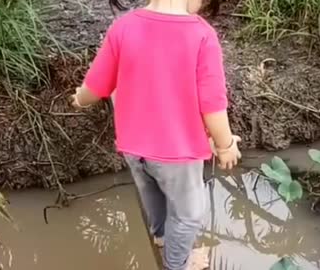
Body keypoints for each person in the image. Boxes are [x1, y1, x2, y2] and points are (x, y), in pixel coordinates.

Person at [69, 0, 242, 269]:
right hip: (178, 153)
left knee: (152, 194)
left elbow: (96, 86)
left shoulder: (124, 26)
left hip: (133, 148)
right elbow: (212, 105)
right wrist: (226, 144)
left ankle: (161, 237)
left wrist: (79, 99)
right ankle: (177, 264)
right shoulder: (202, 35)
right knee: (188, 216)